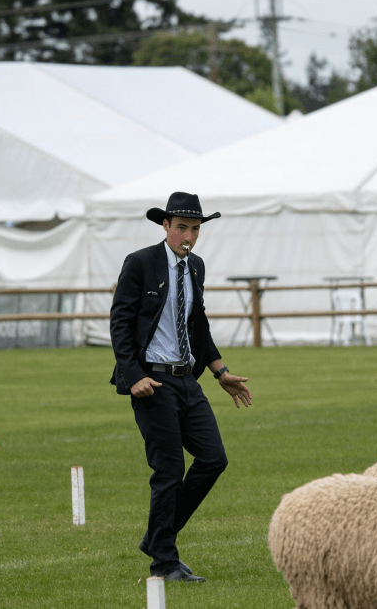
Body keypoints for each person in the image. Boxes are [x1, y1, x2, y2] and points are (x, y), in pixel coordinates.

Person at [109, 192, 253, 583]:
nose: (188, 236)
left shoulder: (196, 267)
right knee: (169, 471)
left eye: (195, 229)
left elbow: (198, 323)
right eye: (182, 228)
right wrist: (133, 375)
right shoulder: (140, 263)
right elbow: (120, 322)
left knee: (214, 459)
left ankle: (158, 537)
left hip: (188, 379)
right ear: (166, 226)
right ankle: (164, 563)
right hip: (152, 382)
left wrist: (220, 371)